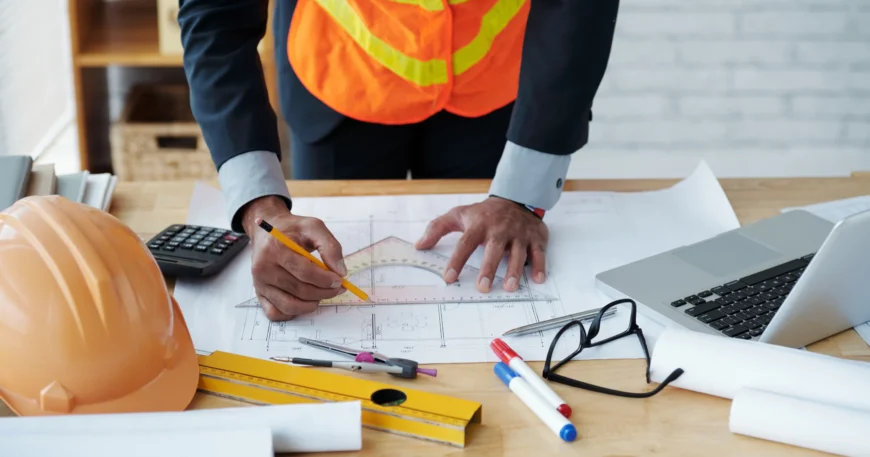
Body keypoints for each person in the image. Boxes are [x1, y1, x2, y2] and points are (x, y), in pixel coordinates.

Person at [178, 0, 619, 321]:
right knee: (305, 266)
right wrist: (260, 211)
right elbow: (217, 14)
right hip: (341, 73)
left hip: (493, 84)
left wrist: (523, 194)